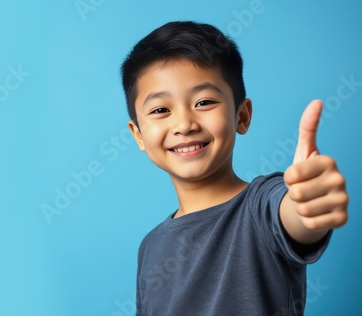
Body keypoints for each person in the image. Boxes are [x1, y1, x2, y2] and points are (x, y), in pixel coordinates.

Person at [120, 21, 348, 315]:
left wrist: (306, 203)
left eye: (203, 102)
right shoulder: (150, 247)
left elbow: (290, 216)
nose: (184, 125)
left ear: (242, 116)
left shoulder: (261, 206)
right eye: (161, 110)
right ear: (138, 134)